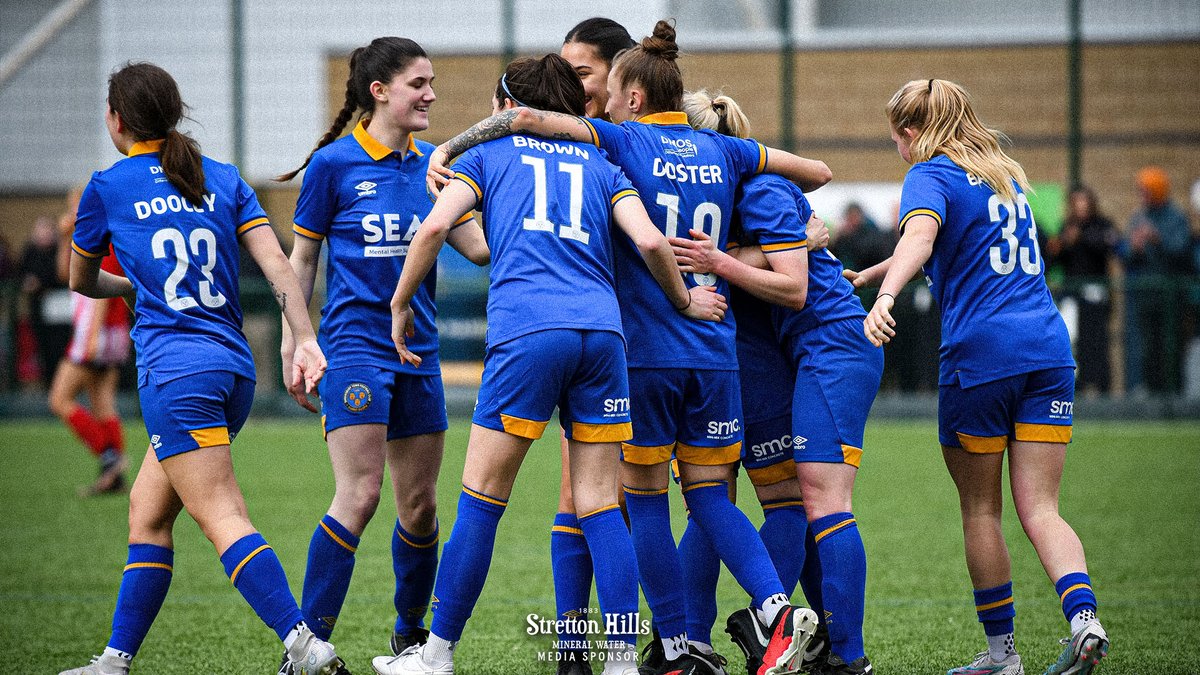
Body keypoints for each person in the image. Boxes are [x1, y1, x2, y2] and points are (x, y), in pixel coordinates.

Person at [424, 21, 832, 675]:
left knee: (638, 500)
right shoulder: (723, 151)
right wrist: (754, 244)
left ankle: (670, 646)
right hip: (714, 348)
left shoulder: (619, 143)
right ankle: (778, 608)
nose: (603, 103)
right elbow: (818, 171)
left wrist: (449, 147)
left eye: (610, 89)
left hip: (642, 350)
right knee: (710, 497)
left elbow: (528, 124)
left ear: (634, 97)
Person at [369, 53, 723, 675]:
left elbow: (432, 233)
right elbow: (647, 242)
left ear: (508, 105)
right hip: (602, 339)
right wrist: (686, 300)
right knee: (598, 504)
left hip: (528, 335)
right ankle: (617, 660)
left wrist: (400, 304)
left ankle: (437, 655)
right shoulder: (602, 161)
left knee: (482, 499)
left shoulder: (487, 155)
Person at [60, 61, 340, 675]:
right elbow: (278, 269)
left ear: (116, 119)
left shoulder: (106, 186)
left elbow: (78, 280)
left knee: (222, 516)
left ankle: (303, 643)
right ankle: (114, 661)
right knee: (148, 512)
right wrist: (304, 339)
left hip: (178, 373)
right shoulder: (223, 177)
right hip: (233, 371)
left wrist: (134, 287)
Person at [855, 78, 1109, 675]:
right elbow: (954, 243)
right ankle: (1084, 619)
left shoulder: (929, 173)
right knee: (1042, 507)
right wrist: (875, 272)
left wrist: (886, 296)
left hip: (982, 359)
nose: (899, 149)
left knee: (981, 511)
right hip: (1048, 352)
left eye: (897, 138)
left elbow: (921, 235)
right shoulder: (1005, 174)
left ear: (913, 133)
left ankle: (1002, 656)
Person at [276, 37, 490, 671]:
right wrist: (297, 340)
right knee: (361, 495)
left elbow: (478, 249)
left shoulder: (434, 166)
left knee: (420, 507)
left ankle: (408, 635)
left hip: (417, 354)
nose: (430, 94)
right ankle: (307, 647)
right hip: (354, 349)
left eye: (431, 83)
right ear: (379, 91)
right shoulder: (334, 166)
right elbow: (303, 259)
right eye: (418, 83)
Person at [676, 90, 882, 675]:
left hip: (804, 350)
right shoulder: (743, 189)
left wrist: (750, 256)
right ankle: (786, 635)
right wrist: (791, 246)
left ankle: (799, 641)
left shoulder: (753, 188)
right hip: (757, 354)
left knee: (789, 500)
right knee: (780, 502)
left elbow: (790, 279)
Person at [552, 17, 637, 674]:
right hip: (606, 340)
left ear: (620, 74)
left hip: (645, 344)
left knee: (609, 500)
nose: (570, 83)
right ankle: (582, 649)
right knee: (585, 498)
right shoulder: (583, 144)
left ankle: (640, 642)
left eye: (581, 71)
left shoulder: (617, 141)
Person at [47, 186, 133, 496]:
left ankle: (110, 457)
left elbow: (100, 287)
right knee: (103, 402)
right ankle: (115, 476)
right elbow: (63, 274)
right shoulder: (86, 232)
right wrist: (63, 238)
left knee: (59, 399)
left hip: (96, 331)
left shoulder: (100, 232)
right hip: (111, 332)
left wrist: (93, 337)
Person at [1119, 166, 1193, 394]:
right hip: (1144, 296)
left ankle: (1172, 394)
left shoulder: (1176, 217)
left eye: (1146, 191)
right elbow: (1126, 257)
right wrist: (1135, 246)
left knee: (1170, 346)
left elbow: (1181, 251)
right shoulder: (1139, 217)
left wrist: (1156, 239)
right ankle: (1148, 392)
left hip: (1170, 297)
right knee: (1145, 347)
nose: (1143, 196)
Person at [1044, 186, 1117, 395]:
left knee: (1096, 342)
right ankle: (1076, 385)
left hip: (1094, 294)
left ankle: (1101, 388)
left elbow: (1106, 247)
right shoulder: (1067, 227)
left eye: (1084, 201)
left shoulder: (1101, 225)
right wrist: (1062, 244)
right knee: (1069, 337)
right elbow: (1054, 260)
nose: (1081, 207)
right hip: (1072, 295)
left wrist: (1081, 238)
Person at [19, 215, 71, 388]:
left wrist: (41, 283)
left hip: (61, 310)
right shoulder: (30, 251)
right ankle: (49, 382)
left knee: (62, 346)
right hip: (40, 310)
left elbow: (62, 276)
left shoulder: (58, 250)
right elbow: (20, 273)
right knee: (44, 348)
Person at [832, 202, 893, 274]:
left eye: (854, 217)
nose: (852, 221)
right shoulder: (843, 237)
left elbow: (866, 254)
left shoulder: (872, 233)